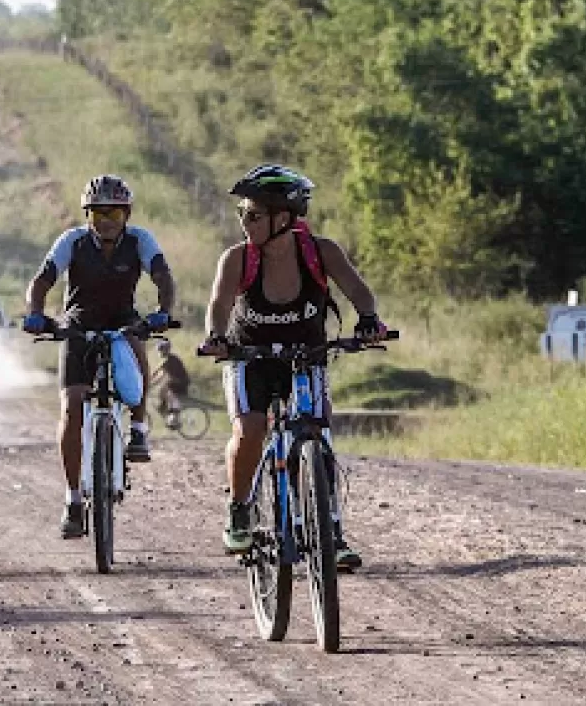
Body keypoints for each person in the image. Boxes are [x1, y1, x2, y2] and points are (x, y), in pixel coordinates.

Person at [199, 164, 387, 568]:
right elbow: (219, 304)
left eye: (253, 215)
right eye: (243, 214)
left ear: (282, 219)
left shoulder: (320, 252)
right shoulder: (237, 258)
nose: (244, 222)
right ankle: (240, 509)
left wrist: (368, 320)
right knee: (250, 429)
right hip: (251, 358)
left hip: (306, 356)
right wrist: (217, 338)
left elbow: (357, 289)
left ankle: (331, 532)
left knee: (318, 434)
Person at [22, 175, 175, 539]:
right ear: (87, 217)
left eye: (115, 214)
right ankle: (73, 499)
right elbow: (42, 280)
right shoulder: (72, 242)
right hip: (78, 323)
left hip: (122, 317)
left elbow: (162, 275)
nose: (106, 221)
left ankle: (138, 428)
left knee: (137, 339)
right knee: (72, 404)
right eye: (97, 214)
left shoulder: (140, 240)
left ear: (127, 214)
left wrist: (164, 310)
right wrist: (35, 312)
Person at [150, 339, 190, 430]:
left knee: (166, 388)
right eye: (159, 350)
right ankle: (166, 409)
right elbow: (160, 375)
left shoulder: (169, 360)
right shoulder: (168, 359)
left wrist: (149, 384)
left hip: (181, 383)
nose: (159, 353)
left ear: (166, 350)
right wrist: (151, 384)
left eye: (161, 350)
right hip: (177, 382)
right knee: (164, 388)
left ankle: (174, 415)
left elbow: (156, 373)